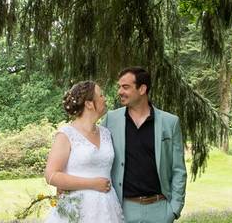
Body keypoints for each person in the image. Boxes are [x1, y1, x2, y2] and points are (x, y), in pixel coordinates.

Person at [102, 67, 186, 223]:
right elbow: (96, 156)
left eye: (125, 87)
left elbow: (178, 169)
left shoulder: (170, 122)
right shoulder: (110, 120)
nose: (120, 91)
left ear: (142, 89)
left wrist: (174, 209)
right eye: (119, 87)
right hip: (122, 209)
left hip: (160, 209)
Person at [44, 81, 125, 223]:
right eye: (101, 95)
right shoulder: (66, 134)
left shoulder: (106, 133)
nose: (105, 99)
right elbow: (51, 175)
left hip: (107, 207)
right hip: (78, 209)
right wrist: (92, 184)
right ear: (89, 103)